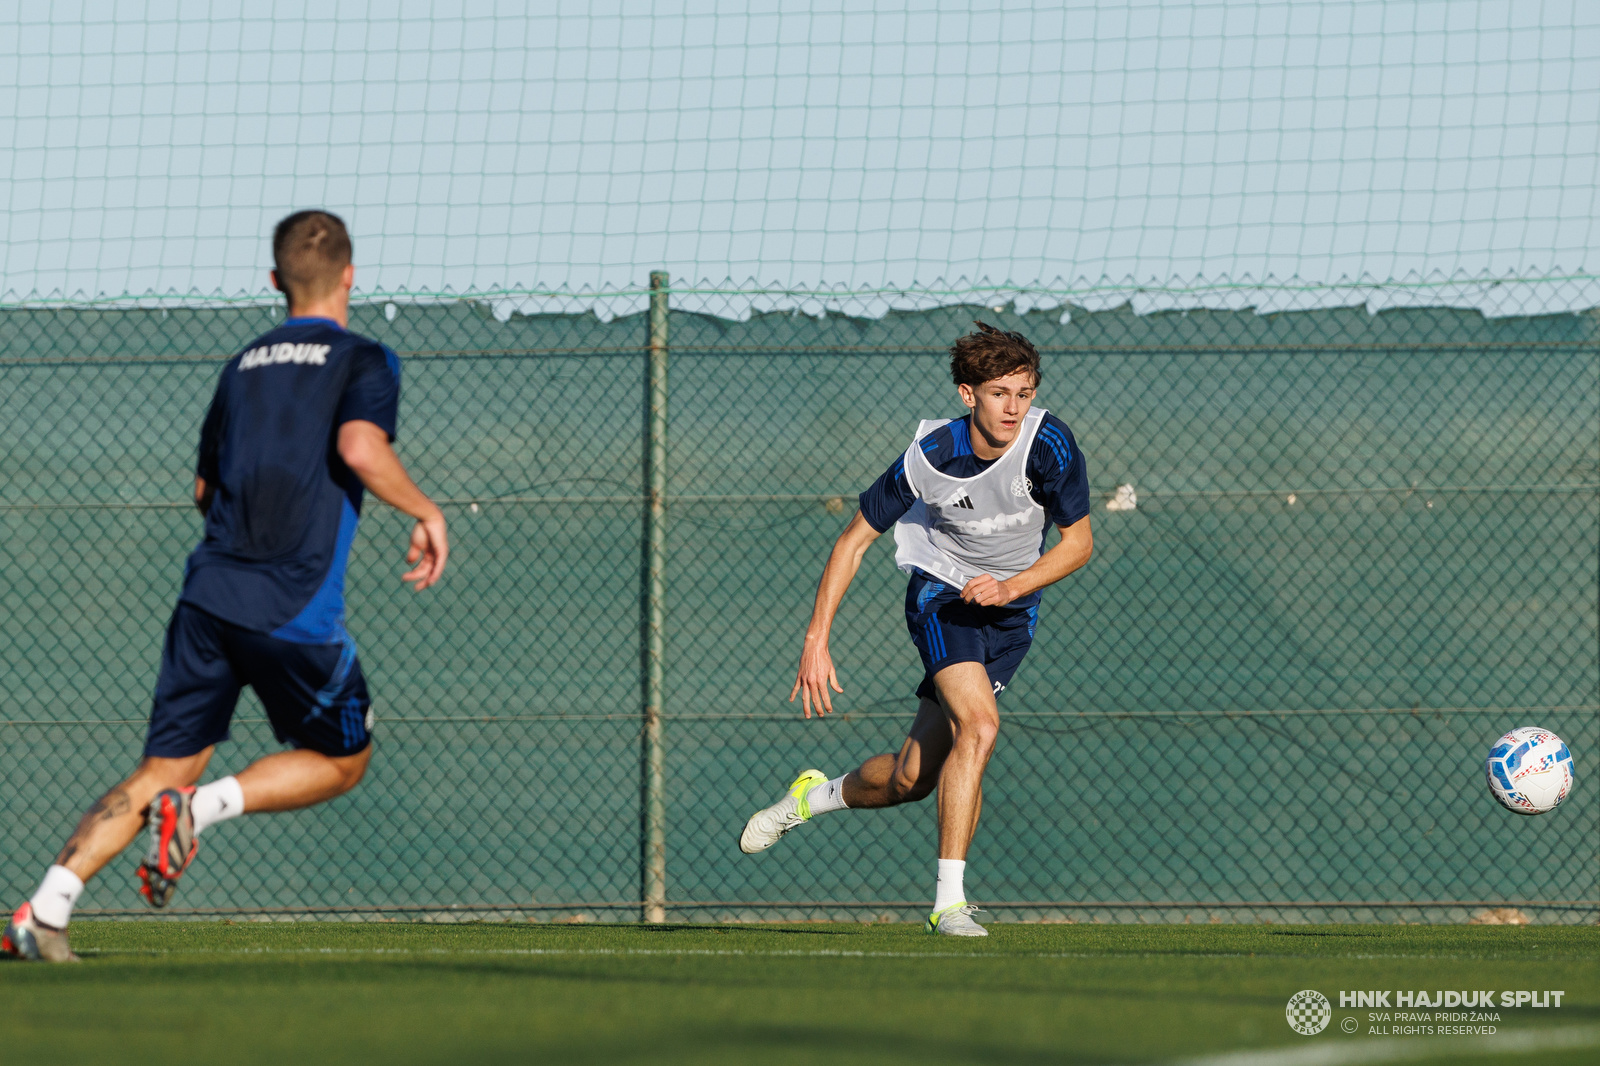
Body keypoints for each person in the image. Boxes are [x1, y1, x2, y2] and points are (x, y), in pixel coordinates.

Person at [3, 210, 448, 962]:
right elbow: (359, 446)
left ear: (276, 282)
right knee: (345, 758)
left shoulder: (240, 365)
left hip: (208, 596)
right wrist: (426, 510)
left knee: (159, 768)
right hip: (293, 606)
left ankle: (43, 910)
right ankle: (201, 810)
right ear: (350, 276)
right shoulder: (366, 359)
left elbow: (205, 486)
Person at [739, 322, 1092, 937]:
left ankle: (809, 798)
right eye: (999, 393)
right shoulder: (930, 457)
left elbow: (1079, 544)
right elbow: (853, 542)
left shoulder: (1050, 445)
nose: (1014, 406)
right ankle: (949, 903)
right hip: (942, 595)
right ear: (967, 394)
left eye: (1024, 392)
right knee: (979, 727)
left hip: (1012, 612)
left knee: (912, 778)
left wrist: (1012, 587)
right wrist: (816, 637)